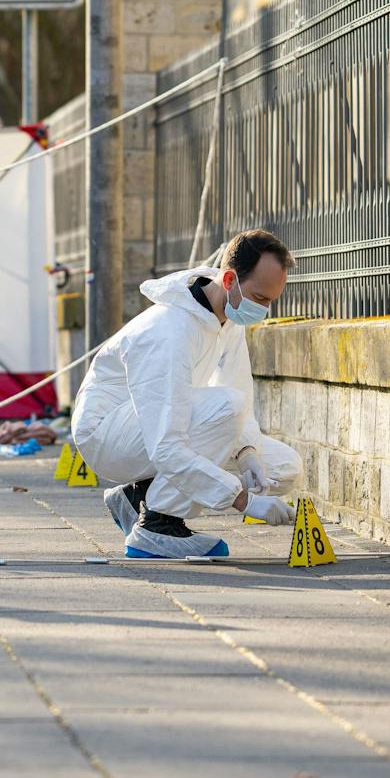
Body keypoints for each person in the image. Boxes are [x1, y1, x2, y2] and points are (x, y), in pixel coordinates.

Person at [69, 228, 303, 559]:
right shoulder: (168, 332)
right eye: (260, 298)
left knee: (283, 467)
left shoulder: (228, 318)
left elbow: (238, 389)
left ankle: (138, 496)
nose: (264, 309)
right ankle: (157, 525)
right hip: (107, 435)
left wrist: (247, 452)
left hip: (157, 426)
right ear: (229, 280)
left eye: (271, 300)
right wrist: (243, 501)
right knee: (226, 407)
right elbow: (166, 446)